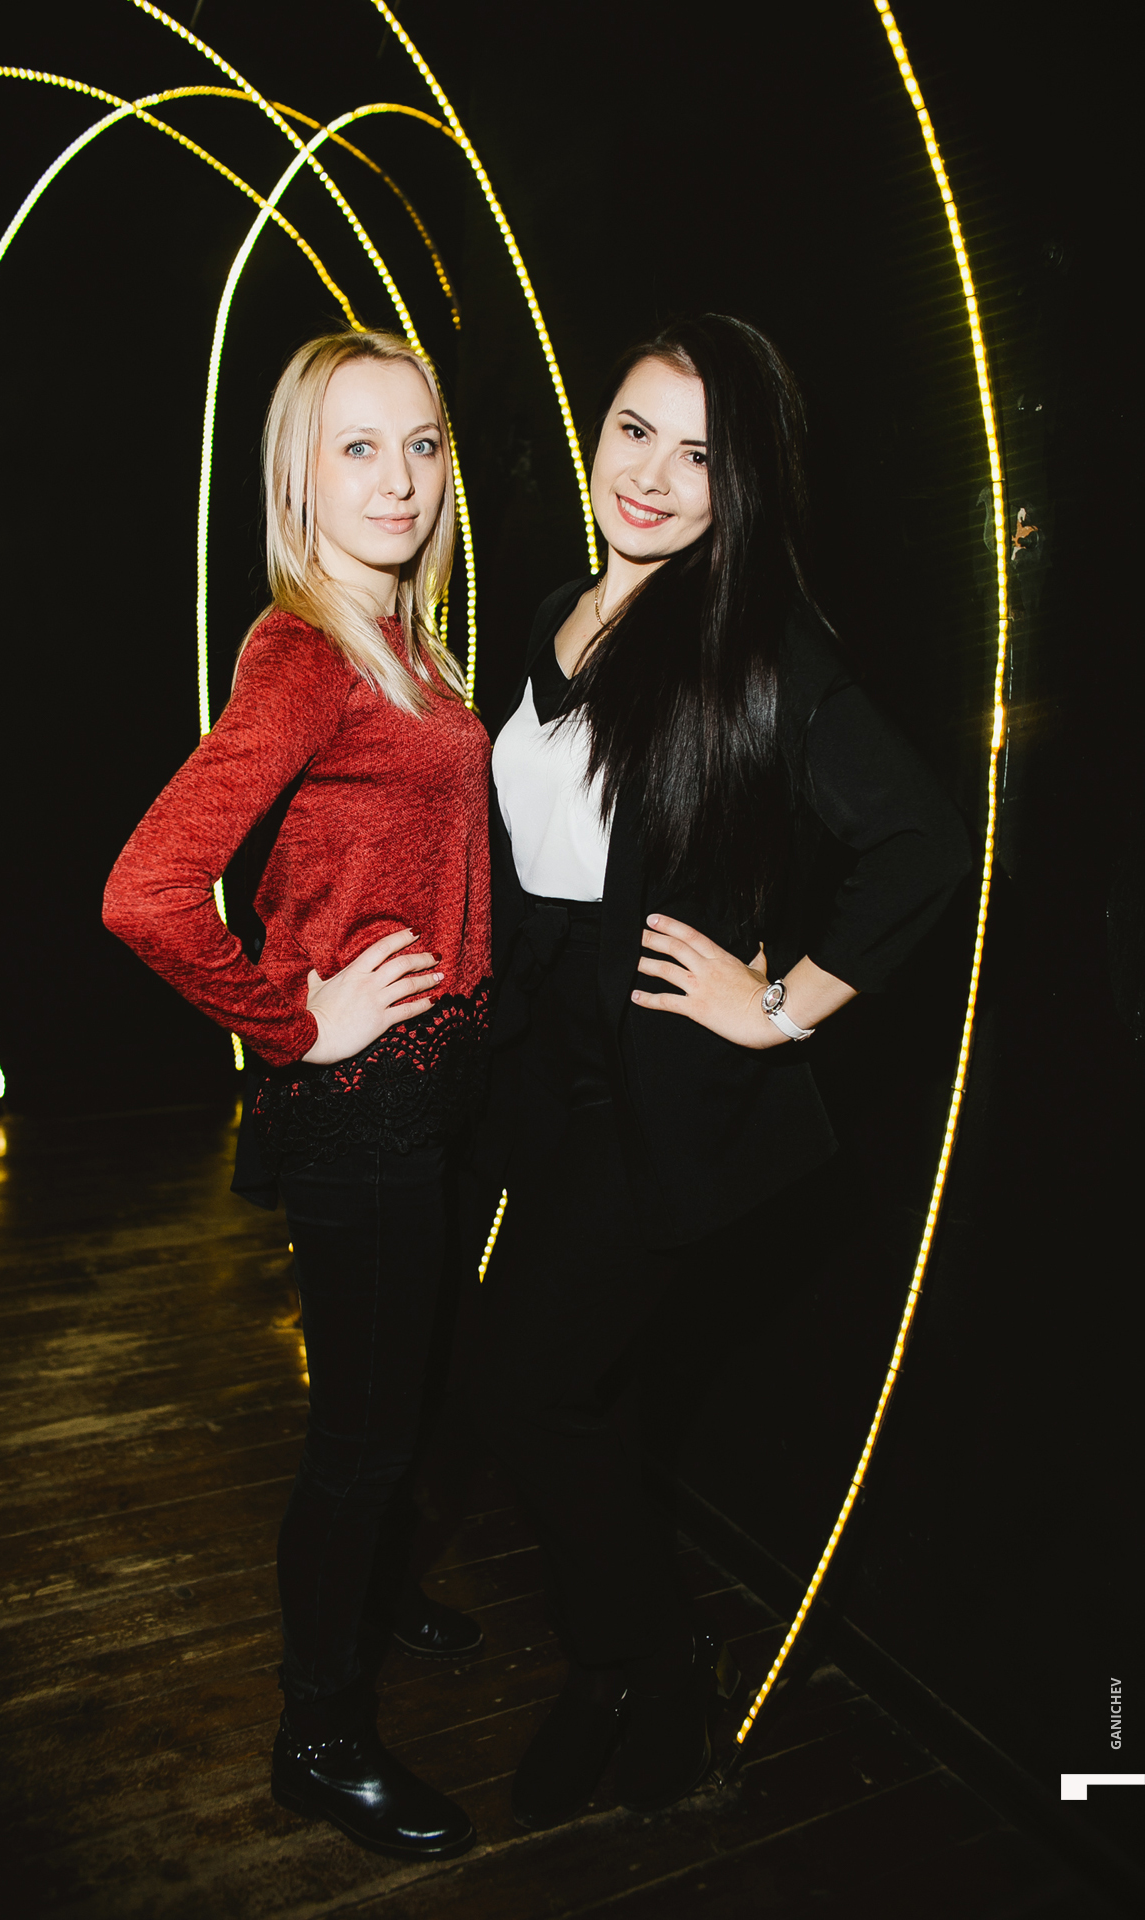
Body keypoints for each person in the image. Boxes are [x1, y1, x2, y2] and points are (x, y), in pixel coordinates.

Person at [474, 315, 972, 1830]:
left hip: (651, 1096)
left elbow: (921, 845)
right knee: (584, 1386)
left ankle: (639, 1663)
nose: (652, 475)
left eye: (699, 456)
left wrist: (780, 1007)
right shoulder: (559, 612)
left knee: (533, 1386)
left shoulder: (752, 647)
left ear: (739, 485)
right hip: (540, 1063)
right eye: (635, 430)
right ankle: (624, 1660)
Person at [103, 330, 492, 1863]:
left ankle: (380, 1595)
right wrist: (293, 1025)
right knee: (362, 1442)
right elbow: (144, 891)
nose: (399, 479)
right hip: (361, 1110)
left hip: (432, 1088)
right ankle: (318, 1737)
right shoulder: (306, 653)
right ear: (298, 476)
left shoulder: (408, 640)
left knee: (412, 1400)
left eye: (422, 445)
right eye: (358, 448)